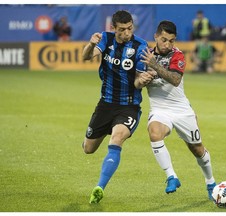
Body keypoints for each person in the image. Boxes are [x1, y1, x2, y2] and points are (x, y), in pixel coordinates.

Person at [137, 20, 216, 200]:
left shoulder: (177, 55)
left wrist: (155, 66)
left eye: (171, 40)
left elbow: (175, 79)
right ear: (155, 36)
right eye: (164, 39)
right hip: (160, 109)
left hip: (181, 110)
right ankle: (171, 176)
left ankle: (210, 181)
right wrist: (141, 80)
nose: (168, 44)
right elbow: (136, 81)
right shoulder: (144, 56)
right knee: (154, 133)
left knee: (197, 150)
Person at [82, 10, 154, 204]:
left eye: (130, 28)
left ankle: (99, 187)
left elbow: (138, 82)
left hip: (128, 106)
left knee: (117, 138)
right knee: (88, 149)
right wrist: (90, 44)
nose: (127, 33)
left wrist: (143, 80)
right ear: (113, 28)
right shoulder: (106, 38)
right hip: (105, 104)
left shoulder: (140, 46)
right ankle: (103, 129)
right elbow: (86, 57)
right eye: (122, 30)